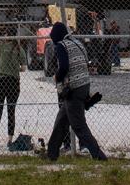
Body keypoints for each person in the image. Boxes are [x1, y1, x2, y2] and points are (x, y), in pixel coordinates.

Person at [44, 21, 106, 161]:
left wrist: (57, 77)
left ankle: (99, 156)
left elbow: (64, 67)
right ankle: (51, 155)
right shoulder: (77, 43)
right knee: (61, 122)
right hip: (84, 86)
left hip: (73, 89)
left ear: (56, 36)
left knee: (79, 126)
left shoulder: (61, 46)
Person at [0, 34, 22, 148]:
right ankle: (10, 140)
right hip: (13, 82)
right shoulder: (19, 48)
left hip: (0, 80)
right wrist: (15, 68)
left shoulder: (1, 46)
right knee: (11, 111)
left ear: (7, 35)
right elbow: (24, 68)